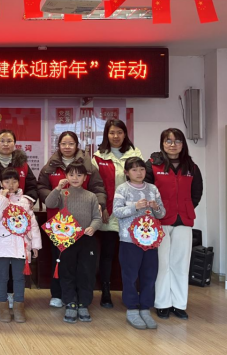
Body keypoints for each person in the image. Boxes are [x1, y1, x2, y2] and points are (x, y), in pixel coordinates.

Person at [37, 131, 106, 308]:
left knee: (82, 265)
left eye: (71, 144)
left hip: (83, 223)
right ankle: (58, 294)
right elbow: (42, 187)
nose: (67, 147)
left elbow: (98, 187)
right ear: (58, 146)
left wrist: (99, 204)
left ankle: (78, 298)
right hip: (59, 222)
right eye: (63, 144)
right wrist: (55, 194)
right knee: (59, 260)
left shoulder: (88, 165)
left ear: (77, 145)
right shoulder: (50, 166)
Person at [145, 128, 203, 320]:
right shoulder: (153, 165)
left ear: (183, 144)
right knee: (162, 264)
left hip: (184, 221)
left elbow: (196, 193)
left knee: (180, 264)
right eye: (168, 141)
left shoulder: (192, 167)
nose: (172, 145)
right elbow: (145, 191)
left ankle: (179, 304)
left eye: (177, 141)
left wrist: (185, 207)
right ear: (162, 143)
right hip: (160, 221)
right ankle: (162, 303)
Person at [0, 129, 38, 309]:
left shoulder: (22, 165)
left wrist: (29, 199)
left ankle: (11, 294)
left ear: (14, 144)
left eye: (9, 140)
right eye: (2, 140)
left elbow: (32, 186)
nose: (5, 144)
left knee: (15, 260)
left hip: (17, 224)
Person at [92, 119, 143, 308]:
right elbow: (95, 186)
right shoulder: (98, 157)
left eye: (119, 132)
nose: (116, 136)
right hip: (109, 212)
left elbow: (141, 181)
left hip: (132, 213)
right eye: (112, 132)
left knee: (130, 256)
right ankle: (105, 292)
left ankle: (130, 292)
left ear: (125, 134)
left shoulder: (135, 154)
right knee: (107, 254)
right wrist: (102, 206)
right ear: (106, 134)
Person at [44, 163, 102, 324]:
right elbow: (49, 203)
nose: (75, 178)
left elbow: (97, 218)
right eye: (71, 175)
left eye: (79, 175)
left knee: (86, 272)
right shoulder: (63, 193)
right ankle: (70, 302)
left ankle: (83, 303)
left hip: (86, 239)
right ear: (66, 176)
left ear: (85, 178)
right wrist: (57, 188)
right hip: (66, 238)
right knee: (66, 271)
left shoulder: (91, 196)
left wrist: (93, 227)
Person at [113, 157, 166, 330]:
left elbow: (162, 214)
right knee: (130, 275)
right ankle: (132, 309)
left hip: (150, 240)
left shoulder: (153, 189)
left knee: (149, 274)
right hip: (129, 240)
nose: (139, 173)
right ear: (127, 173)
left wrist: (156, 208)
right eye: (134, 170)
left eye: (142, 169)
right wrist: (135, 207)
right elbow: (117, 212)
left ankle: (145, 308)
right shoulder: (122, 189)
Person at [0, 168, 42, 323]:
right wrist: (2, 197)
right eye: (6, 181)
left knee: (19, 277)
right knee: (2, 276)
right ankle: (2, 307)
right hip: (2, 244)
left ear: (19, 183)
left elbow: (33, 224)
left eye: (14, 181)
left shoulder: (25, 201)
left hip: (21, 245)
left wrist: (35, 245)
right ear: (0, 183)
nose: (10, 185)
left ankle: (19, 307)